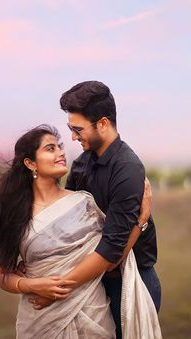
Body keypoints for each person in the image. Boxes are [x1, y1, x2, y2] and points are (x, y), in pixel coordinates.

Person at [0, 124, 161, 338]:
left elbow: (111, 258)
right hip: (40, 322)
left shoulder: (83, 202)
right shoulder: (13, 214)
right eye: (50, 148)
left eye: (60, 147)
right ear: (30, 163)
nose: (61, 152)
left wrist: (141, 221)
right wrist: (31, 284)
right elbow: (3, 274)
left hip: (93, 316)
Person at [58, 80, 162, 338]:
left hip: (129, 281)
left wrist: (58, 285)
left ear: (103, 123)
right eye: (70, 128)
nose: (72, 136)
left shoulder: (127, 169)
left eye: (77, 129)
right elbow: (67, 221)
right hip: (92, 279)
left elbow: (112, 255)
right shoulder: (82, 163)